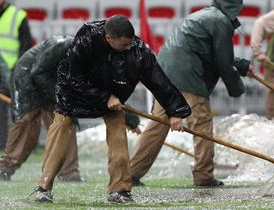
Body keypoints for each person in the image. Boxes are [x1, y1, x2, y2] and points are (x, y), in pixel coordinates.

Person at [30, 15, 191, 204]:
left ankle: (120, 190)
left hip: (112, 97)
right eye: (124, 45)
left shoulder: (139, 52)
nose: (129, 48)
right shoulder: (86, 40)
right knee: (60, 133)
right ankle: (44, 187)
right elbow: (74, 76)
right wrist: (105, 96)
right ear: (109, 39)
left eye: (130, 43)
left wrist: (175, 112)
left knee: (118, 138)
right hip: (74, 93)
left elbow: (159, 81)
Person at [129, 0, 254, 188]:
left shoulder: (201, 15)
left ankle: (131, 173)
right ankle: (204, 175)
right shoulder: (221, 21)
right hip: (187, 77)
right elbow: (222, 61)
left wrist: (241, 65)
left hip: (163, 74)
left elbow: (209, 53)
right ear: (235, 7)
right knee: (202, 124)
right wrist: (237, 89)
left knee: (156, 126)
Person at [0, 36, 82, 182]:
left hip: (52, 82)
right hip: (28, 75)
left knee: (65, 121)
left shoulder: (93, 55)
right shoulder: (63, 46)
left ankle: (69, 172)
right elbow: (38, 73)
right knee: (27, 122)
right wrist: (59, 97)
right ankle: (5, 168)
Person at [0, 0, 32, 149]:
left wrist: (19, 67)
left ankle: (20, 144)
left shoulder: (17, 15)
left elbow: (25, 43)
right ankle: (3, 143)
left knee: (16, 108)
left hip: (12, 69)